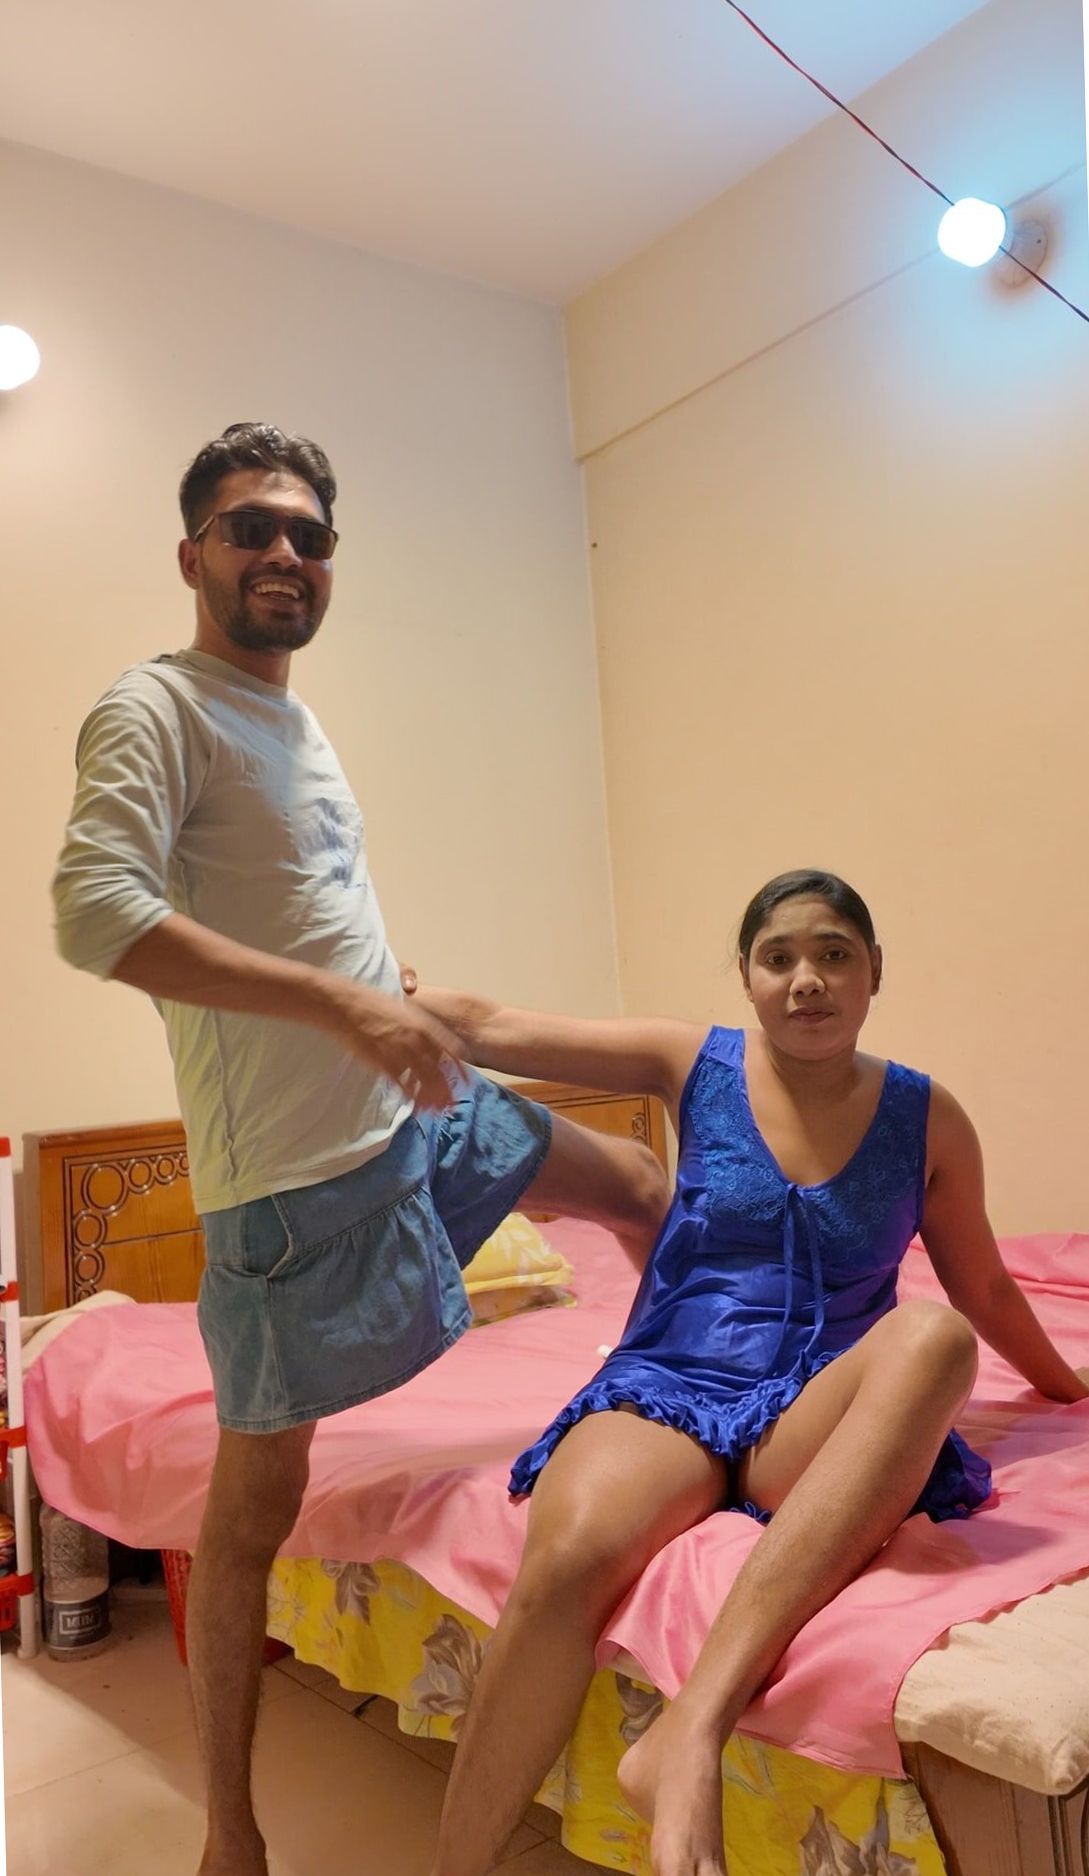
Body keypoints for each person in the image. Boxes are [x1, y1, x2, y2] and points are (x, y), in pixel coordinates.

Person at [51, 423, 667, 1876]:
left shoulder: (298, 722)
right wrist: (339, 1006)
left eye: (309, 535)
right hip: (295, 1189)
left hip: (420, 1114)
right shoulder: (155, 707)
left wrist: (387, 990)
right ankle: (232, 1832)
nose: (284, 553)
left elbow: (302, 903)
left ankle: (686, 1419)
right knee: (248, 1516)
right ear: (191, 553)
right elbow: (95, 913)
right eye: (251, 528)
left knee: (643, 1187)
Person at [404, 869, 1089, 1876]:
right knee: (567, 1555)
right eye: (780, 957)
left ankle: (690, 1729)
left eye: (833, 954)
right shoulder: (694, 1062)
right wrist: (374, 993)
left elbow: (981, 1285)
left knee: (936, 1338)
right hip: (672, 1381)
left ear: (873, 971)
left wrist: (1069, 1387)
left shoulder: (926, 1117)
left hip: (815, 1411)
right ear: (748, 976)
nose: (807, 978)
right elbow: (495, 1025)